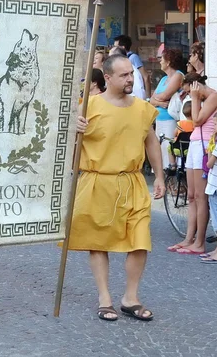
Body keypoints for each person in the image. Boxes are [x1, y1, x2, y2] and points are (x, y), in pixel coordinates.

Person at [69, 54, 164, 322]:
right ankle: (104, 298)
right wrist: (73, 130)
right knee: (98, 242)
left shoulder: (143, 108)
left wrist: (159, 176)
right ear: (107, 78)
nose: (130, 79)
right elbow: (67, 148)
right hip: (98, 181)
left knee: (140, 240)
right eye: (123, 75)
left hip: (132, 181)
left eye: (131, 74)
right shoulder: (87, 107)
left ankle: (130, 298)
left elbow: (151, 142)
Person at [168, 73, 217, 255]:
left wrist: (196, 98)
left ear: (195, 85)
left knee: (200, 196)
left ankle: (199, 242)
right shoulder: (200, 98)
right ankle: (189, 238)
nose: (189, 95)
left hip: (204, 146)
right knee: (190, 195)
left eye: (190, 91)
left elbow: (197, 120)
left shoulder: (213, 96)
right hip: (195, 143)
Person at [150, 48, 185, 168]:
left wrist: (156, 100)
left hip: (171, 120)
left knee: (168, 149)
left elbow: (165, 95)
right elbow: (152, 98)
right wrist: (159, 103)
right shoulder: (164, 79)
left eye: (162, 59)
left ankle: (170, 177)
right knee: (160, 149)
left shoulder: (178, 75)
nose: (160, 61)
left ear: (168, 62)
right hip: (159, 119)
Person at [202, 112, 217, 263]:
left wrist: (210, 150)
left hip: (216, 186)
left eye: (215, 124)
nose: (214, 127)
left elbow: (209, 164)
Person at [167, 101, 194, 171]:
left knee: (169, 148)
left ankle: (172, 164)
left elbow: (174, 133)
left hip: (179, 149)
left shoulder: (180, 123)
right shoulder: (195, 125)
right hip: (190, 149)